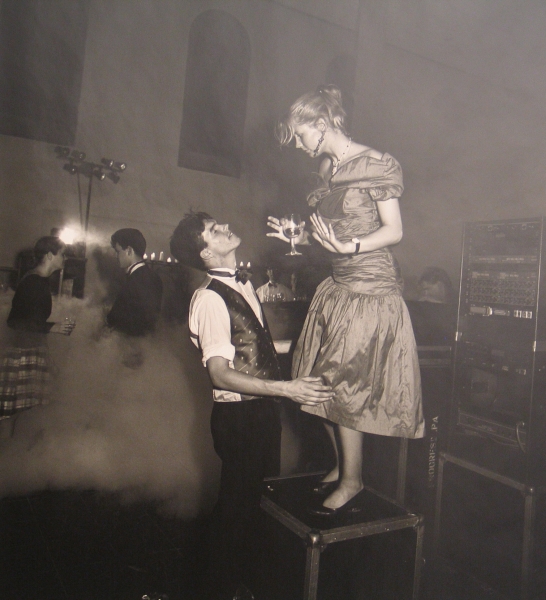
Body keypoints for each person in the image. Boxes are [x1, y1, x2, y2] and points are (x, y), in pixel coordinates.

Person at [268, 84, 424, 515]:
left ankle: (354, 480)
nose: (298, 146)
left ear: (322, 124)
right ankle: (343, 465)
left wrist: (350, 247)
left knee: (342, 384)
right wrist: (299, 238)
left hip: (369, 287)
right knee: (312, 380)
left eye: (301, 135)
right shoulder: (326, 168)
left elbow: (394, 231)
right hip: (337, 285)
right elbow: (331, 233)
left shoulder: (376, 163)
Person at [170, 212, 333, 600]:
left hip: (260, 412)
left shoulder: (243, 283)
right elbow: (220, 375)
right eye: (214, 230)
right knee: (236, 515)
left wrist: (307, 350)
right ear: (205, 252)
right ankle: (215, 591)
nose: (226, 227)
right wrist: (287, 389)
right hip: (239, 417)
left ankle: (238, 587)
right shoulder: (209, 298)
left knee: (254, 509)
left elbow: (255, 349)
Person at [0, 236, 75, 431]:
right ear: (49, 255)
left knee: (28, 415)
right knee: (19, 416)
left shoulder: (39, 280)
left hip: (32, 350)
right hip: (23, 354)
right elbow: (14, 321)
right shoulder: (33, 281)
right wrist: (52, 327)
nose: (65, 258)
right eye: (62, 254)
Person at [106, 228, 163, 337]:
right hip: (143, 342)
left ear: (129, 250)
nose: (116, 256)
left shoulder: (137, 280)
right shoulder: (152, 277)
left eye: (118, 252)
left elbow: (139, 321)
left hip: (129, 343)